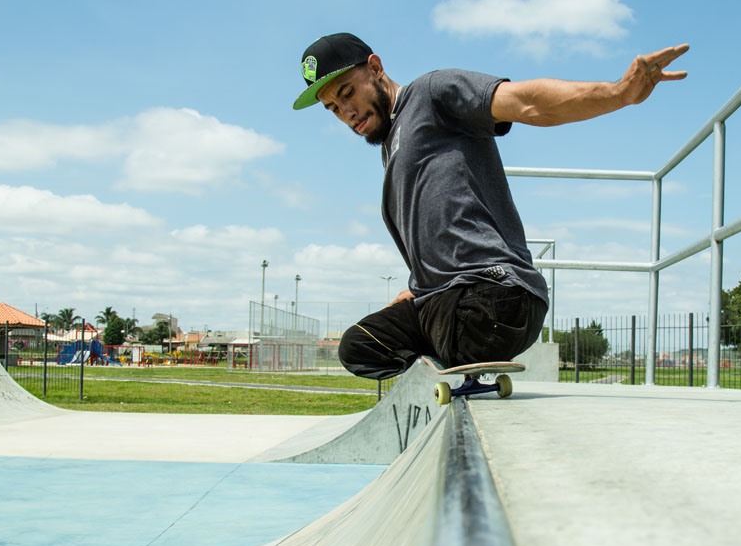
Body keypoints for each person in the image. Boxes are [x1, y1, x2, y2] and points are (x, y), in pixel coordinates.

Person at [293, 33, 688, 380]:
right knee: (359, 347)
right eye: (333, 108)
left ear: (376, 68)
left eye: (347, 92)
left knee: (467, 327)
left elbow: (527, 103)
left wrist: (618, 93)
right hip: (443, 299)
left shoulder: (431, 93)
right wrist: (416, 289)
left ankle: (456, 350)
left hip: (493, 293)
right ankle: (445, 351)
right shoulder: (391, 145)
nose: (346, 113)